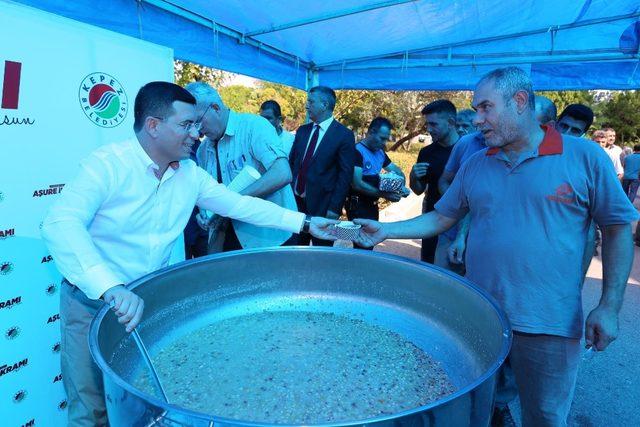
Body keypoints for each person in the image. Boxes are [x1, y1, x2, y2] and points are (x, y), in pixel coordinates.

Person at [40, 81, 337, 427]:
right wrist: (110, 287)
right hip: (91, 303)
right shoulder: (107, 165)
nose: (197, 133)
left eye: (197, 124)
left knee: (138, 401)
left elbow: (239, 205)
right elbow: (60, 223)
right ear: (153, 126)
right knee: (90, 408)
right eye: (186, 125)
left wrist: (304, 222)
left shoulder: (190, 174)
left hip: (144, 301)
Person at [354, 67, 637, 427]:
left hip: (548, 322)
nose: (477, 119)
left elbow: (616, 229)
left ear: (520, 102)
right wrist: (384, 230)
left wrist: (609, 307)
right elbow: (441, 218)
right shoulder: (476, 163)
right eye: (476, 108)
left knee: (545, 416)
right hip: (480, 314)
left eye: (486, 108)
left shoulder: (584, 157)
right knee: (476, 406)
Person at [186, 82, 298, 251]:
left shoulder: (254, 126)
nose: (198, 132)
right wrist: (203, 213)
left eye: (199, 123)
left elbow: (282, 173)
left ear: (216, 107)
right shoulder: (203, 149)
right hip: (228, 240)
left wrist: (232, 203)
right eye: (190, 125)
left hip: (269, 239)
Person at [289, 85, 356, 246]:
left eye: (311, 102)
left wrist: (334, 209)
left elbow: (345, 175)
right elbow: (292, 164)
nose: (306, 106)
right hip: (296, 204)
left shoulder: (344, 135)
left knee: (321, 254)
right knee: (295, 249)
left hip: (323, 207)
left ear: (325, 104)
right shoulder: (302, 131)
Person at [409, 99, 459, 265]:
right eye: (427, 125)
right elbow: (418, 190)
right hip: (432, 221)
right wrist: (414, 176)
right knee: (428, 266)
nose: (429, 129)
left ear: (451, 122)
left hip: (458, 224)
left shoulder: (468, 150)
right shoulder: (426, 152)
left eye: (434, 124)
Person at [347, 117, 407, 249]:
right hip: (358, 207)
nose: (384, 143)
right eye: (382, 138)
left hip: (372, 205)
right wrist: (385, 195)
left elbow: (396, 171)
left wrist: (401, 186)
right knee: (361, 245)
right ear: (371, 132)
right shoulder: (357, 151)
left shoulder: (380, 153)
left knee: (369, 245)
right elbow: (357, 184)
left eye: (386, 139)